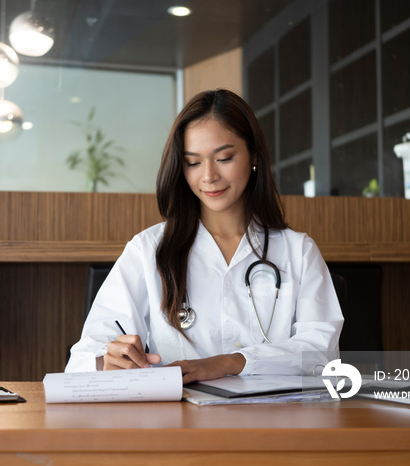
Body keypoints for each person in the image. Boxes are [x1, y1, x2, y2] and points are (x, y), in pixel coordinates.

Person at [65, 89, 343, 383]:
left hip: (275, 422)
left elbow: (322, 354)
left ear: (254, 156)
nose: (208, 176)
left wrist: (230, 363)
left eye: (224, 158)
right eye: (193, 162)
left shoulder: (298, 251)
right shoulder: (147, 251)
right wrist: (108, 361)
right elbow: (83, 358)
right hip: (180, 423)